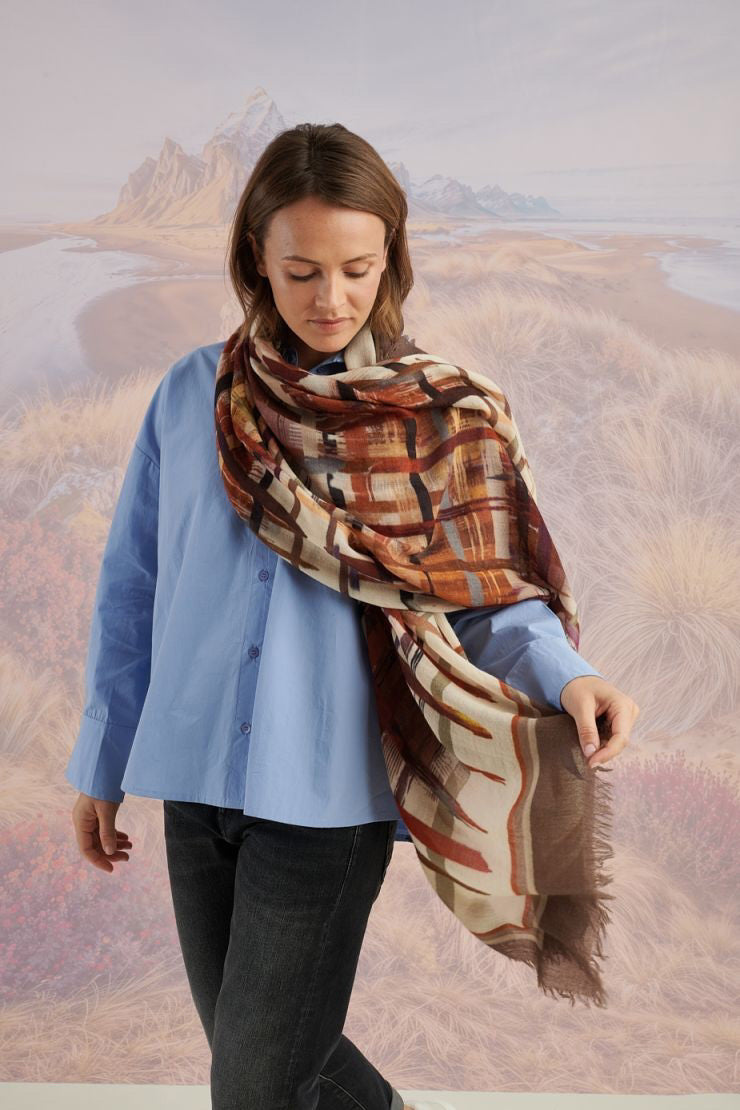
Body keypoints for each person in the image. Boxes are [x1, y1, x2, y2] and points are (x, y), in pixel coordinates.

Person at [67, 123, 637, 1110]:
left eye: (356, 270)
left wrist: (568, 674)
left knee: (255, 1081)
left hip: (326, 798)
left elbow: (490, 594)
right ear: (257, 257)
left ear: (390, 260)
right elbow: (133, 587)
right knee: (278, 1054)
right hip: (194, 778)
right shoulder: (192, 394)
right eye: (301, 272)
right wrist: (100, 758)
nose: (330, 299)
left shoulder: (438, 417)